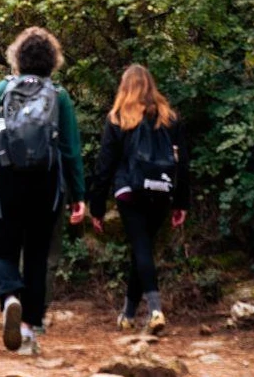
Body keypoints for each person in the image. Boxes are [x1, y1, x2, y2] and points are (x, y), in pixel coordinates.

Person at [0, 27, 86, 355]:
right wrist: (79, 196)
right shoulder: (59, 96)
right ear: (53, 60)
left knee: (6, 250)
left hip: (8, 177)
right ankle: (26, 333)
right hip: (47, 183)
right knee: (36, 255)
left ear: (17, 58)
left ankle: (9, 298)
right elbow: (70, 150)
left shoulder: (2, 90)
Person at [88, 64, 190, 335]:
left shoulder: (118, 118)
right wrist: (181, 202)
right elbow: (183, 164)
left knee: (141, 248)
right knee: (142, 249)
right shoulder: (170, 118)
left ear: (124, 87)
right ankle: (128, 314)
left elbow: (104, 166)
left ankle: (156, 310)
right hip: (161, 192)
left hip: (129, 192)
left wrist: (95, 206)